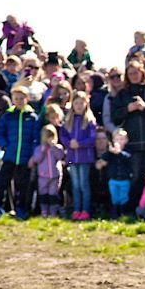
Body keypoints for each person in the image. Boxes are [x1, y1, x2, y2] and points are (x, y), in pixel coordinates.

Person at [110, 60, 145, 209]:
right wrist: (128, 108)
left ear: (142, 73)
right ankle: (133, 208)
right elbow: (115, 117)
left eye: (136, 72)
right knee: (135, 177)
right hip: (132, 145)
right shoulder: (122, 94)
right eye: (130, 73)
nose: (134, 76)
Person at [0, 85, 39, 218]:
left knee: (23, 185)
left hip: (25, 158)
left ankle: (21, 209)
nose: (19, 100)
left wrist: (32, 155)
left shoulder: (32, 117)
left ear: (27, 99)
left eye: (21, 98)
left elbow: (35, 138)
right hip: (10, 156)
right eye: (16, 98)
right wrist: (5, 146)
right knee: (2, 182)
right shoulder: (8, 116)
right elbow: (0, 133)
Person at [59, 91, 98, 220]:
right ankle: (76, 209)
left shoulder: (89, 120)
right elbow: (63, 135)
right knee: (75, 185)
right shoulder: (68, 120)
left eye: (81, 103)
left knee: (84, 184)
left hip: (85, 157)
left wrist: (80, 144)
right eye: (76, 103)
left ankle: (85, 210)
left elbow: (92, 138)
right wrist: (69, 143)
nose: (79, 105)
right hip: (72, 158)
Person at [29, 124, 65, 218]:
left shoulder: (58, 147)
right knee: (43, 193)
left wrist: (53, 147)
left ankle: (53, 212)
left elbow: (60, 156)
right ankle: (44, 211)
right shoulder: (39, 148)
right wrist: (42, 151)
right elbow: (37, 160)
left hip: (54, 175)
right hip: (43, 175)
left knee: (53, 194)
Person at [96, 128, 133, 218]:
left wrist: (119, 152)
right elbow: (103, 158)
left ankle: (123, 213)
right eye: (117, 139)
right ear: (113, 140)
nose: (119, 141)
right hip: (113, 180)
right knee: (114, 197)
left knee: (123, 197)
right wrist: (110, 152)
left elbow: (128, 157)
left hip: (125, 180)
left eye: (121, 139)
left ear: (126, 140)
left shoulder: (127, 151)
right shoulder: (110, 152)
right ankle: (115, 213)